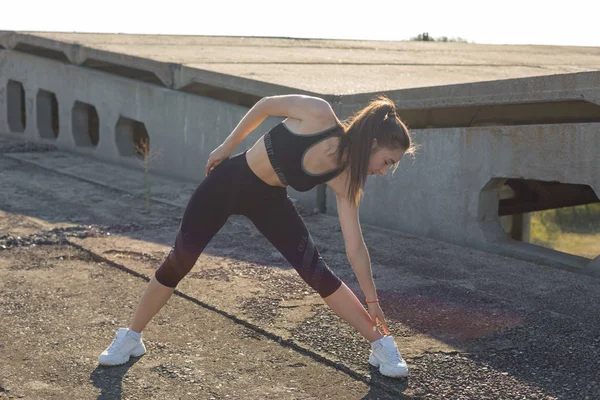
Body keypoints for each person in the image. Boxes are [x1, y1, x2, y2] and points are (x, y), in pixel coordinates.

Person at [98, 93, 416, 378]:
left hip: (269, 202)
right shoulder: (319, 114)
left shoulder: (346, 179)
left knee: (316, 271)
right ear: (374, 144)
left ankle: (381, 344)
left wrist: (372, 300)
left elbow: (355, 246)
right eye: (388, 161)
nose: (384, 171)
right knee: (178, 261)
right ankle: (131, 337)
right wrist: (226, 146)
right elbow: (266, 106)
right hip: (228, 183)